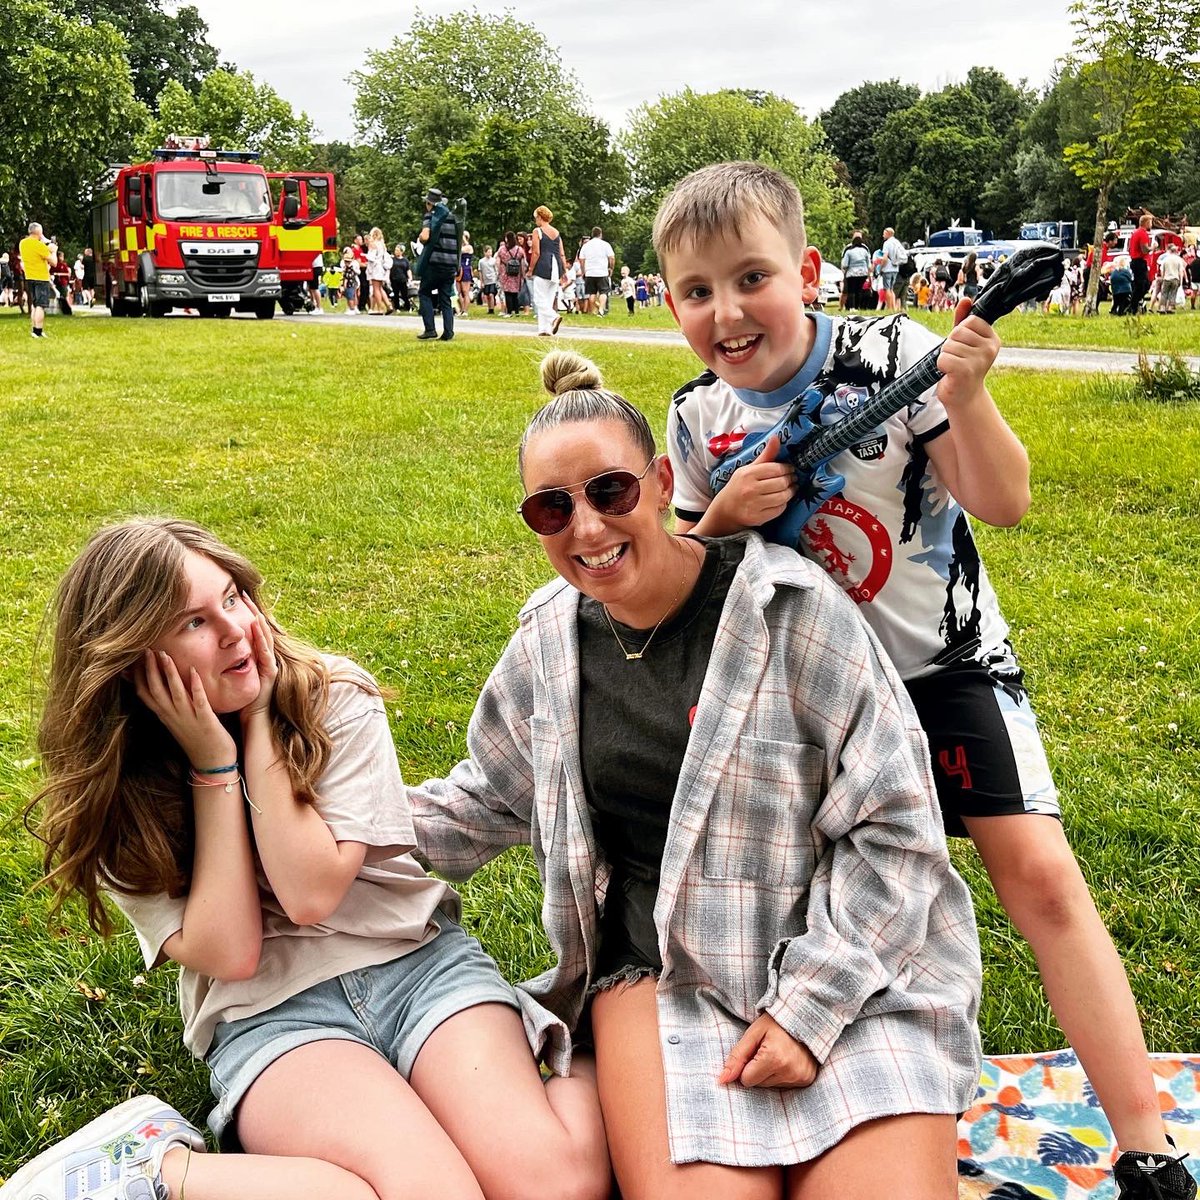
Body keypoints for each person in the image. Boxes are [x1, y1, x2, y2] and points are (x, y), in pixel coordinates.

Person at [652, 159, 1196, 1200]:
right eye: (696, 290)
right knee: (820, 919)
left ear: (807, 269)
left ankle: (1146, 1143)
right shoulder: (694, 418)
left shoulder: (894, 355)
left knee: (1038, 875)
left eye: (750, 277)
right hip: (806, 708)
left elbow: (1005, 501)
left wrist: (968, 394)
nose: (725, 311)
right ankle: (841, 1124)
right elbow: (682, 578)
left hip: (942, 666)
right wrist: (720, 520)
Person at [410, 350, 984, 1200]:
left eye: (610, 492)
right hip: (662, 974)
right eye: (551, 508)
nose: (588, 530)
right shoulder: (547, 643)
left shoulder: (792, 609)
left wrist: (810, 1005)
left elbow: (896, 828)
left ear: (660, 478)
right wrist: (327, 822)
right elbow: (489, 795)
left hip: (854, 964)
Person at [16, 517, 610, 1200]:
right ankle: (158, 1168)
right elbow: (233, 952)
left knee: (557, 1185)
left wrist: (262, 719)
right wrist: (215, 766)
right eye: (193, 624)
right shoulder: (115, 785)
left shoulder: (332, 698)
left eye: (233, 598)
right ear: (134, 657)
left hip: (418, 967)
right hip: (272, 1011)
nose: (236, 630)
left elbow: (310, 891)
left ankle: (612, 1043)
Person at [415, 187, 460, 341]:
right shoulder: (453, 217)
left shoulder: (431, 216)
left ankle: (430, 329)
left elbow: (426, 237)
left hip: (434, 263)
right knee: (445, 297)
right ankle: (448, 332)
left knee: (424, 293)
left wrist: (420, 237)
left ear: (429, 203)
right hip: (450, 264)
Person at [527, 205, 568, 336]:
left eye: (536, 218)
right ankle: (544, 330)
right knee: (548, 299)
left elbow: (536, 252)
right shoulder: (556, 233)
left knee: (539, 298)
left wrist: (530, 269)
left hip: (543, 266)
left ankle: (553, 317)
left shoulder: (537, 231)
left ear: (539, 217)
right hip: (556, 267)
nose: (535, 221)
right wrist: (564, 271)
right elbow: (561, 253)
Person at [19, 221, 56, 338]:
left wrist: (45, 243)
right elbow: (54, 262)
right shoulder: (39, 246)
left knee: (34, 304)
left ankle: (34, 329)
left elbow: (35, 252)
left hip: (29, 277)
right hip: (41, 277)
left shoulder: (23, 243)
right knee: (41, 305)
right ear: (39, 232)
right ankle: (38, 331)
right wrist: (53, 251)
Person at [577, 226, 614, 315]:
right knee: (603, 292)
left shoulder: (586, 246)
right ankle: (601, 309)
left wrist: (583, 270)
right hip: (602, 271)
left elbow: (581, 259)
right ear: (600, 234)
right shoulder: (605, 244)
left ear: (592, 234)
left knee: (591, 293)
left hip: (590, 272)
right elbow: (612, 258)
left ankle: (593, 310)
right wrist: (611, 268)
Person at [1129, 213, 1154, 313]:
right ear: (1146, 223)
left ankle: (1135, 303)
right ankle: (1133, 305)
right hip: (1139, 261)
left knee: (1142, 284)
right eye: (1151, 222)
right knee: (1142, 285)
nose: (1151, 225)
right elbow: (1144, 250)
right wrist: (1153, 247)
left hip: (1135, 260)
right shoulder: (1143, 233)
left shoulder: (1135, 233)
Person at [496, 231, 526, 317]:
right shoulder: (519, 249)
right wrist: (523, 274)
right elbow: (523, 262)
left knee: (507, 293)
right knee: (515, 293)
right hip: (516, 273)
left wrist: (498, 272)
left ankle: (509, 312)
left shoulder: (502, 249)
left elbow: (498, 261)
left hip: (505, 273)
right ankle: (516, 311)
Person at [839, 233, 871, 311]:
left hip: (852, 273)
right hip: (863, 273)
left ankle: (851, 307)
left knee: (851, 291)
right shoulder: (865, 250)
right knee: (859, 290)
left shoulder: (849, 251)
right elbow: (869, 264)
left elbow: (845, 264)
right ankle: (857, 307)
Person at [365, 227, 392, 315]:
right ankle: (388, 305)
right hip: (381, 267)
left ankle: (380, 308)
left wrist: (365, 256)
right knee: (380, 288)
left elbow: (372, 257)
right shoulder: (382, 245)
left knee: (376, 288)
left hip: (375, 268)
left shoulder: (373, 244)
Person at [1155, 241, 1184, 314]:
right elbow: (1181, 271)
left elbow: (1162, 270)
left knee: (1164, 293)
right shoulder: (1178, 259)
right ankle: (1170, 308)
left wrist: (1163, 277)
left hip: (1167, 278)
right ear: (1176, 251)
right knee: (1173, 293)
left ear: (1170, 251)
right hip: (1175, 278)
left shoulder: (1165, 259)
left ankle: (1162, 308)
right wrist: (1181, 281)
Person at [477, 245, 499, 314]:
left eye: (491, 252)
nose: (490, 253)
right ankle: (489, 308)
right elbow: (480, 271)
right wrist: (481, 281)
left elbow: (496, 270)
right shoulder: (481, 261)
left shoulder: (493, 260)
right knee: (487, 295)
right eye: (488, 252)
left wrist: (497, 279)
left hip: (493, 279)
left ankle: (492, 309)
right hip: (486, 280)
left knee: (491, 294)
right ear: (485, 252)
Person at [457, 232, 474, 317]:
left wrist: (462, 237)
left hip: (466, 269)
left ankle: (465, 310)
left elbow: (461, 250)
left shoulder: (469, 247)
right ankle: (461, 309)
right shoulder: (459, 246)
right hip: (459, 270)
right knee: (458, 292)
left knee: (465, 291)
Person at [390, 245, 412, 312]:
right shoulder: (392, 259)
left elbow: (408, 269)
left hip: (403, 279)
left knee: (404, 294)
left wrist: (410, 277)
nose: (396, 252)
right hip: (394, 279)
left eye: (398, 250)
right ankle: (397, 308)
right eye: (395, 250)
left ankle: (408, 307)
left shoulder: (405, 260)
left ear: (401, 252)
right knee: (396, 294)